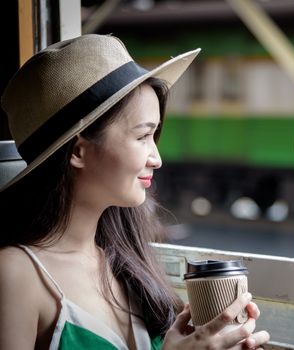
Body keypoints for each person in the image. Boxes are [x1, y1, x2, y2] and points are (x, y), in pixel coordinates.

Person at [0, 34, 270, 349]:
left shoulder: (126, 263)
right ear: (78, 152)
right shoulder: (14, 275)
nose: (156, 159)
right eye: (143, 136)